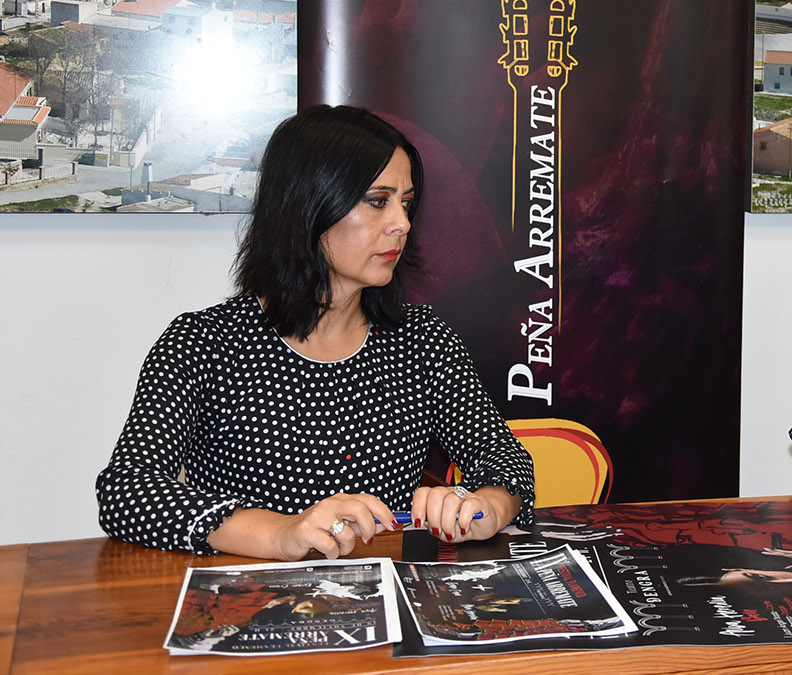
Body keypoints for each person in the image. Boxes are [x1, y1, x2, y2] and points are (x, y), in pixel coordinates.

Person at [96, 105, 535, 559]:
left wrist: (487, 505)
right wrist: (280, 533)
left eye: (405, 203)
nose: (402, 223)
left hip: (389, 589)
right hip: (253, 593)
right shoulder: (205, 343)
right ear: (309, 205)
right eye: (378, 201)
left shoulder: (422, 341)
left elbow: (505, 458)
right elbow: (127, 491)